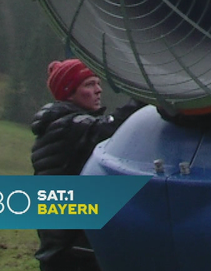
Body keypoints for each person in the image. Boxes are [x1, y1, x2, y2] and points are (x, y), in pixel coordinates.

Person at [31, 59, 145, 271]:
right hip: (72, 251)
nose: (98, 90)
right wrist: (144, 96)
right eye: (89, 84)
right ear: (69, 92)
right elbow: (111, 128)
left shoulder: (61, 125)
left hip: (65, 248)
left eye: (98, 83)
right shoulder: (68, 126)